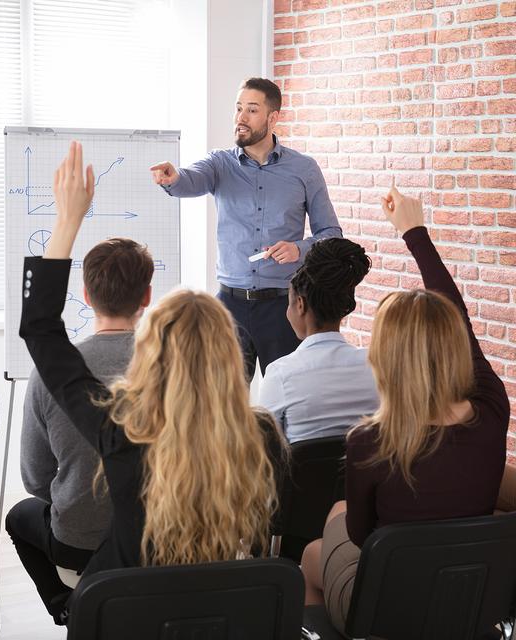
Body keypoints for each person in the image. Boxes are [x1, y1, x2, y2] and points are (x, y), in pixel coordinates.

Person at [20, 141, 287, 624]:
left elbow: (40, 330)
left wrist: (67, 221)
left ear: (152, 351)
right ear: (229, 356)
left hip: (129, 611)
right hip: (224, 606)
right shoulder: (260, 433)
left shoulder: (123, 431)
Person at [300, 185, 509, 635]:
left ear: (384, 358)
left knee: (313, 554)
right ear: (453, 346)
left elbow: (361, 536)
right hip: (471, 598)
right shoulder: (492, 411)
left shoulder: (370, 442)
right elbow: (460, 320)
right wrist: (415, 233)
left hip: (389, 610)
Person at [150, 77, 342, 377]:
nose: (241, 117)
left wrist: (299, 250)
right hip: (229, 308)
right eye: (238, 108)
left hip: (284, 308)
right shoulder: (219, 164)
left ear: (273, 117)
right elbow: (191, 179)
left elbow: (331, 235)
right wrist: (173, 179)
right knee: (222, 406)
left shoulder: (305, 169)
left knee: (288, 399)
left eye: (252, 110)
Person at [6, 237, 153, 623]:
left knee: (20, 515)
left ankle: (64, 606)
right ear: (148, 296)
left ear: (86, 295)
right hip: (158, 544)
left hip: (78, 547)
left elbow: (35, 479)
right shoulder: (173, 370)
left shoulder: (50, 376)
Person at [259, 237, 378, 443]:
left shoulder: (281, 375)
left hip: (302, 476)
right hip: (369, 475)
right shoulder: (378, 366)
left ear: (300, 305)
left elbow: (264, 453)